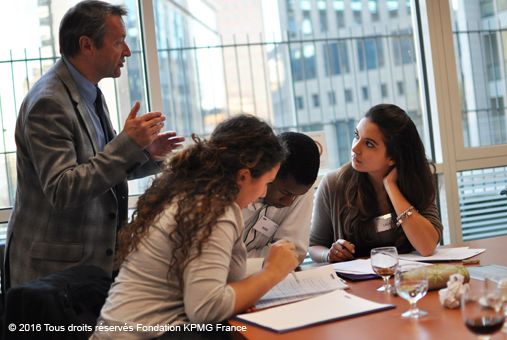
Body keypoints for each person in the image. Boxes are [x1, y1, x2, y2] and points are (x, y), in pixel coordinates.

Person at [4, 0, 184, 288]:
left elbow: (101, 169)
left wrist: (144, 152)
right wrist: (127, 145)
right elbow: (63, 189)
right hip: (52, 277)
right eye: (119, 42)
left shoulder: (88, 90)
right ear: (87, 45)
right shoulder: (49, 102)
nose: (127, 51)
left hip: (86, 269)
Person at [91, 115, 299, 339]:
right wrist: (272, 273)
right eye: (267, 182)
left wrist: (264, 269)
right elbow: (206, 309)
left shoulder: (190, 195)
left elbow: (215, 277)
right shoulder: (214, 210)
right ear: (243, 176)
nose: (264, 193)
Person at [309, 104, 443, 263]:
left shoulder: (416, 180)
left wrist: (391, 186)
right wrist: (329, 254)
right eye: (356, 136)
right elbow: (315, 246)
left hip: (406, 279)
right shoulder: (333, 184)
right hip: (355, 285)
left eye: (369, 144)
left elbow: (427, 246)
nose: (355, 148)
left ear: (393, 157)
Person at [242, 132, 320, 264]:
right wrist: (270, 259)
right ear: (269, 174)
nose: (289, 203)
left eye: (295, 196)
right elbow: (220, 263)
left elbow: (293, 254)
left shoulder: (298, 189)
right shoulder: (239, 193)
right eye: (285, 193)